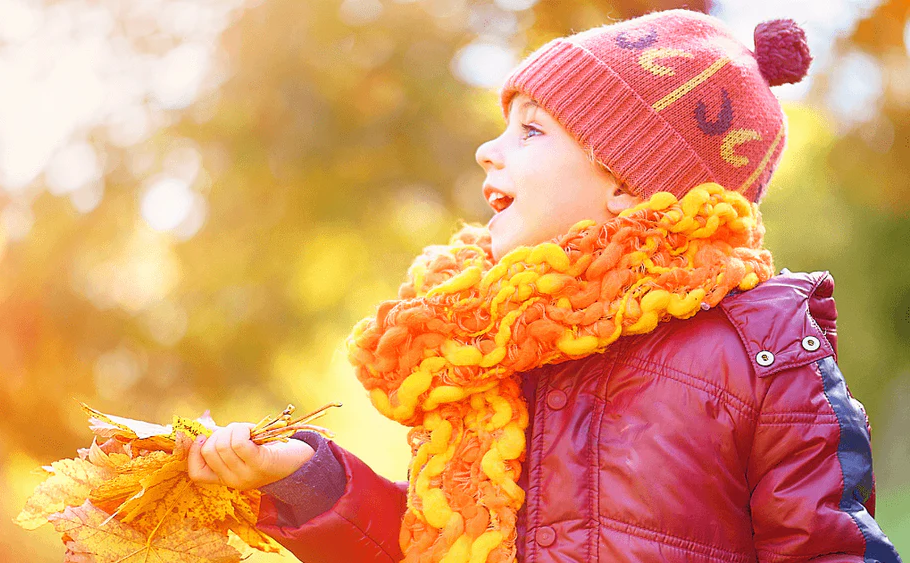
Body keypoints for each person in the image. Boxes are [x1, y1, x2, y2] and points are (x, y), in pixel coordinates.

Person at [188, 9, 903, 563]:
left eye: (531, 131)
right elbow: (439, 541)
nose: (488, 150)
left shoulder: (761, 349)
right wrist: (300, 479)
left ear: (628, 182)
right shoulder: (492, 348)